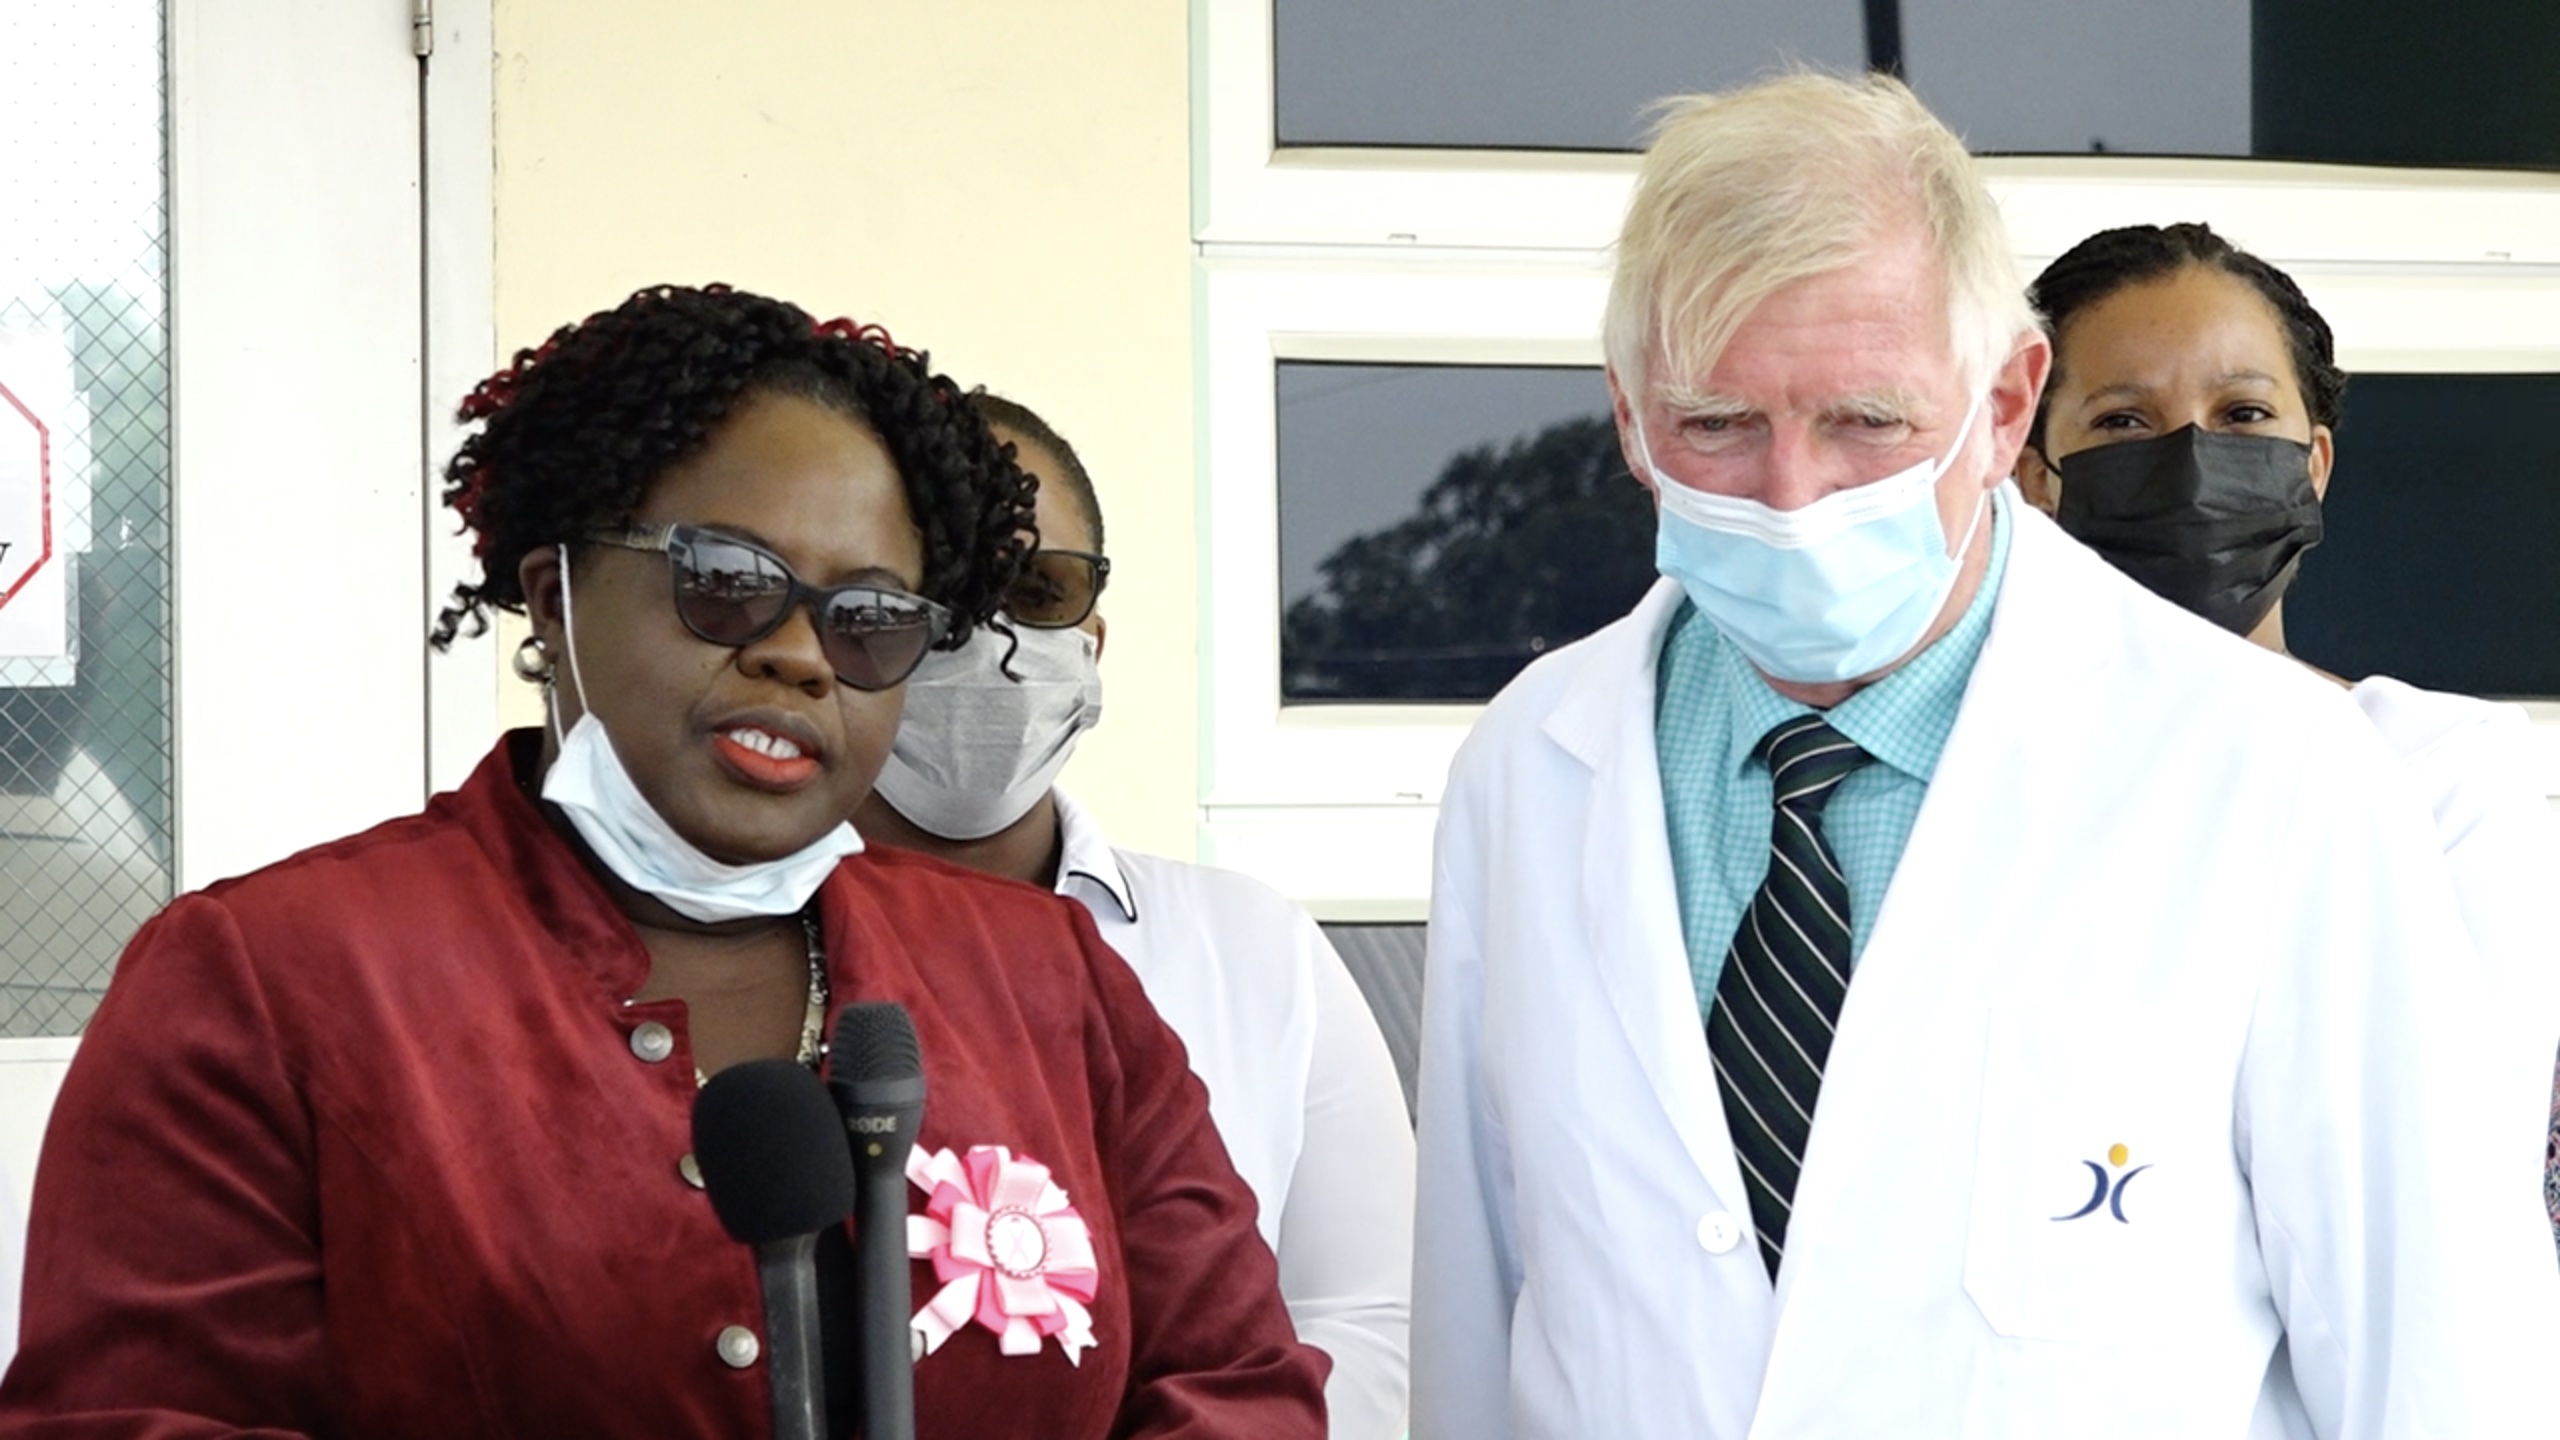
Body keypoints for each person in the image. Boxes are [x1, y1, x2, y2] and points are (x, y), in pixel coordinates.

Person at [1409, 71, 2559, 1438]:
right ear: (1625, 415)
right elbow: (1477, 1317)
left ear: (2005, 408)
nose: (1792, 495)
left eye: (1867, 422)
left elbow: (2436, 1372)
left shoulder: (2277, 776)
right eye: (1714, 423)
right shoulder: (1531, 772)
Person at [0, 284, 1328, 1438]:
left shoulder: (1048, 979)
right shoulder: (270, 982)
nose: (800, 654)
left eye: (869, 619)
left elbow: (1234, 1382)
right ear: (557, 593)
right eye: (727, 580)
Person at [853, 393, 1415, 1439]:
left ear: (1094, 639)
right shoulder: (736, 954)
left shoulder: (1254, 951)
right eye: (937, 590)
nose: (987, 639)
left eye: (1036, 589)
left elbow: (1373, 1319)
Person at [2017, 221, 2560, 1247]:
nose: (2191, 459)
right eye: (2124, 420)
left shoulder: (2436, 778)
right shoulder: (1963, 777)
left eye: (2243, 413)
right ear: (2033, 475)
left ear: (2311, 462)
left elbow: (2456, 1200)